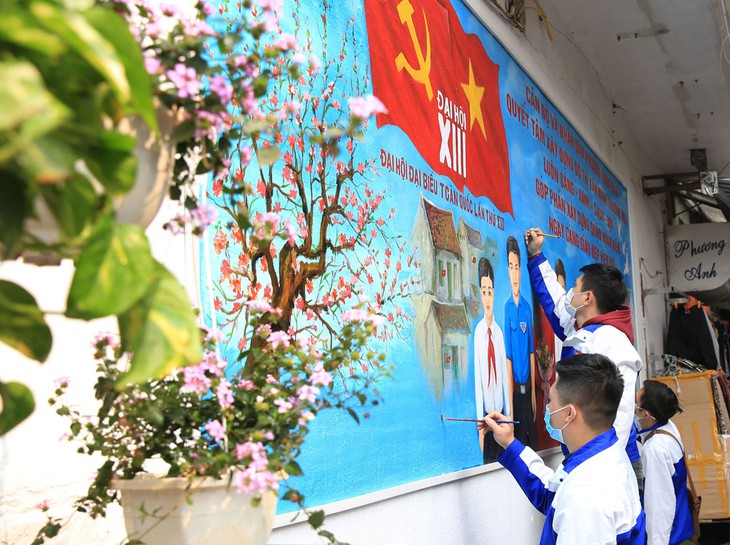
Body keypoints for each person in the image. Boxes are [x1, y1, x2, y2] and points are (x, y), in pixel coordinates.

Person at [481, 353, 645, 545]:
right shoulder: (607, 455)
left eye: (550, 400)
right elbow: (552, 495)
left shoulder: (585, 495)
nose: (548, 407)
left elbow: (573, 498)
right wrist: (510, 443)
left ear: (569, 413)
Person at [524, 228, 643, 475]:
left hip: (609, 465)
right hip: (587, 457)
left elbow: (620, 413)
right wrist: (536, 255)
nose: (569, 292)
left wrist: (599, 467)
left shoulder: (612, 342)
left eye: (574, 287)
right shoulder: (582, 329)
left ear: (587, 298)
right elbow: (555, 303)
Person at [635, 380, 694, 545]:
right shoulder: (668, 426)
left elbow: (659, 504)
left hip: (670, 536)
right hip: (680, 523)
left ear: (645, 413)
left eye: (635, 404)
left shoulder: (655, 449)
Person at [473, 257, 511, 463]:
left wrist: (510, 418)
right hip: (487, 420)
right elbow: (478, 380)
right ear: (480, 293)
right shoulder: (479, 333)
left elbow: (504, 379)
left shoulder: (499, 334)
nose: (487, 298)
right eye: (483, 292)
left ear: (494, 293)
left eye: (490, 292)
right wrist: (480, 424)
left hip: (502, 418)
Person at [504, 235, 537, 448]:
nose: (514, 274)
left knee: (532, 443)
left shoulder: (527, 308)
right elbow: (508, 359)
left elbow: (532, 352)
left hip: (528, 391)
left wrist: (533, 393)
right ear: (507, 270)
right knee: (517, 447)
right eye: (511, 267)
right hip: (515, 393)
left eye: (517, 267)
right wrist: (510, 405)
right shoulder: (507, 309)